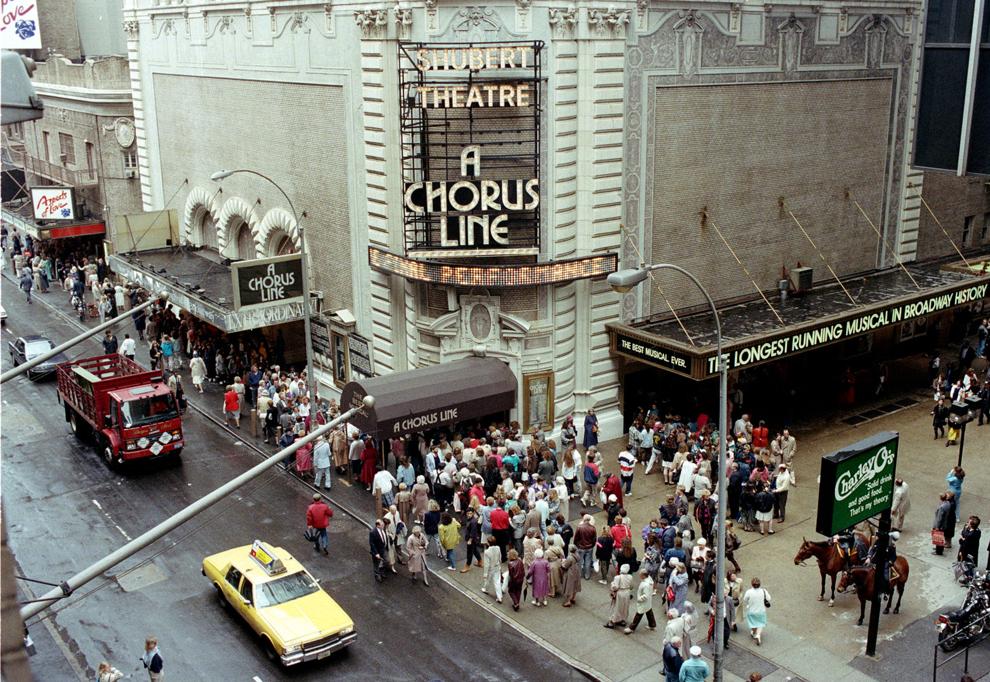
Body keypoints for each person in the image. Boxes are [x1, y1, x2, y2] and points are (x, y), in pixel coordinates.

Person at [625, 567, 657, 634]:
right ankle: (652, 625)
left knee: (639, 614)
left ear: (643, 575)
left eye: (640, 574)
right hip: (648, 602)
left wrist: (639, 599)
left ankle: (631, 628)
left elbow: (645, 595)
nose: (639, 575)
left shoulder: (646, 585)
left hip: (643, 602)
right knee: (649, 611)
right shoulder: (649, 579)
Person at [742, 577, 770, 645]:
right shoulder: (763, 591)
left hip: (751, 611)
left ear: (752, 584)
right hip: (761, 611)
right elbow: (769, 598)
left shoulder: (749, 592)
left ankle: (754, 633)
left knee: (753, 623)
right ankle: (758, 635)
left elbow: (745, 599)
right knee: (761, 623)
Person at [605, 564, 633, 628]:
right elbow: (631, 586)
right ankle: (623, 620)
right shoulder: (630, 577)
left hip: (620, 593)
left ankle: (612, 622)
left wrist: (612, 584)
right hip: (627, 593)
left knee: (617, 607)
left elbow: (615, 587)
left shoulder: (618, 577)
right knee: (625, 607)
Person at [481, 538, 503, 602]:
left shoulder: (487, 552)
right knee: (497, 582)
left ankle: (485, 589)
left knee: (488, 579)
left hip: (491, 569)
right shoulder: (498, 548)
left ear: (488, 543)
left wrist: (485, 573)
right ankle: (499, 597)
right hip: (497, 567)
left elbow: (486, 564)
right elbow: (500, 557)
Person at [461, 508, 482, 572]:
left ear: (473, 513)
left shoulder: (473, 521)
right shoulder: (470, 519)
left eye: (470, 513)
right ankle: (480, 561)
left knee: (469, 553)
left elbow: (473, 531)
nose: (469, 515)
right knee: (475, 550)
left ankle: (467, 566)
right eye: (468, 513)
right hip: (473, 539)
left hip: (472, 539)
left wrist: (470, 540)